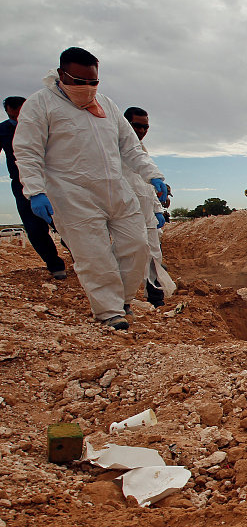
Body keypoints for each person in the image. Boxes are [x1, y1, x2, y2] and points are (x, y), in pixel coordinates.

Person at [14, 47, 167, 330]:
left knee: (137, 246)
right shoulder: (40, 105)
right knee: (94, 255)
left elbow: (129, 147)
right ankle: (110, 311)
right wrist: (35, 191)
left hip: (115, 190)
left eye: (93, 82)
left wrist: (153, 175)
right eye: (80, 82)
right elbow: (27, 151)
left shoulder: (106, 105)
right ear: (62, 75)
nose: (87, 89)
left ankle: (121, 301)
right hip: (72, 194)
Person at [0, 96, 67, 278]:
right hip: (21, 185)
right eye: (13, 116)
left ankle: (79, 254)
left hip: (51, 181)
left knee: (67, 222)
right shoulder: (3, 130)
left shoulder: (44, 125)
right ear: (7, 112)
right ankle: (55, 266)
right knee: (34, 228)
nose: (18, 119)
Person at [122, 106, 170, 307]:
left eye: (145, 127)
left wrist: (158, 209)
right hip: (125, 211)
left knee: (153, 255)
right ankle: (123, 299)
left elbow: (147, 185)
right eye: (137, 126)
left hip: (146, 211)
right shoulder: (113, 148)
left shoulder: (141, 151)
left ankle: (155, 297)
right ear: (125, 124)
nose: (142, 131)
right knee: (131, 253)